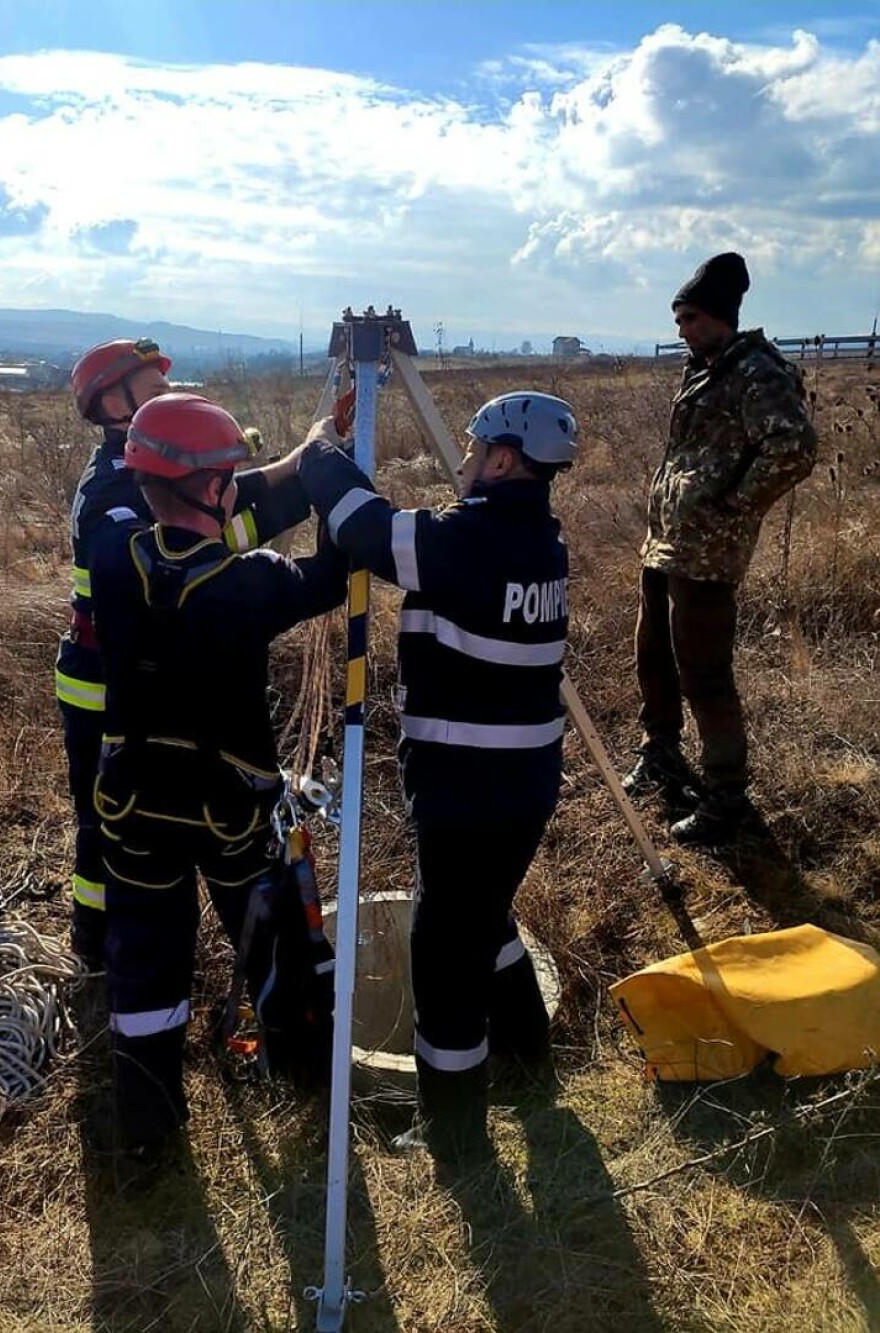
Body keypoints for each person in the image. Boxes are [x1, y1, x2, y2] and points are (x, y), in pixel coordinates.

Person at [298, 390, 576, 1166]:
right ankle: (528, 1056)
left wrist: (322, 449)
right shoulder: (538, 541)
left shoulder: (471, 541)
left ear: (504, 459)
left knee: (444, 954)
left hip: (468, 785)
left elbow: (366, 530)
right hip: (519, 781)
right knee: (484, 912)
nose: (462, 458)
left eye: (474, 445)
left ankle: (454, 1132)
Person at [90, 392, 347, 1154]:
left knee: (143, 962)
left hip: (132, 803)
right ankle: (305, 1078)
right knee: (275, 946)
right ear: (210, 489)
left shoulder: (113, 557)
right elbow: (330, 575)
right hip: (228, 814)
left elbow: (195, 530)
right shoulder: (251, 584)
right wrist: (330, 481)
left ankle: (149, 1131)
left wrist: (299, 458)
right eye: (228, 475)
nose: (236, 484)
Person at [58, 339, 308, 968]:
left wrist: (300, 468)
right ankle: (97, 943)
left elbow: (217, 514)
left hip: (141, 675)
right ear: (112, 402)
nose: (164, 389)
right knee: (104, 815)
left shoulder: (151, 472)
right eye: (149, 381)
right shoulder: (113, 492)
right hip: (102, 685)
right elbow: (192, 550)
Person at [622, 253, 817, 844]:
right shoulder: (705, 366)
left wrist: (731, 506)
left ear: (720, 318)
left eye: (690, 318)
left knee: (704, 674)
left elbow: (794, 447)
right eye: (678, 318)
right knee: (652, 655)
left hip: (707, 553)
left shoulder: (758, 372)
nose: (681, 328)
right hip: (667, 544)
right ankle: (663, 755)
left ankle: (726, 795)